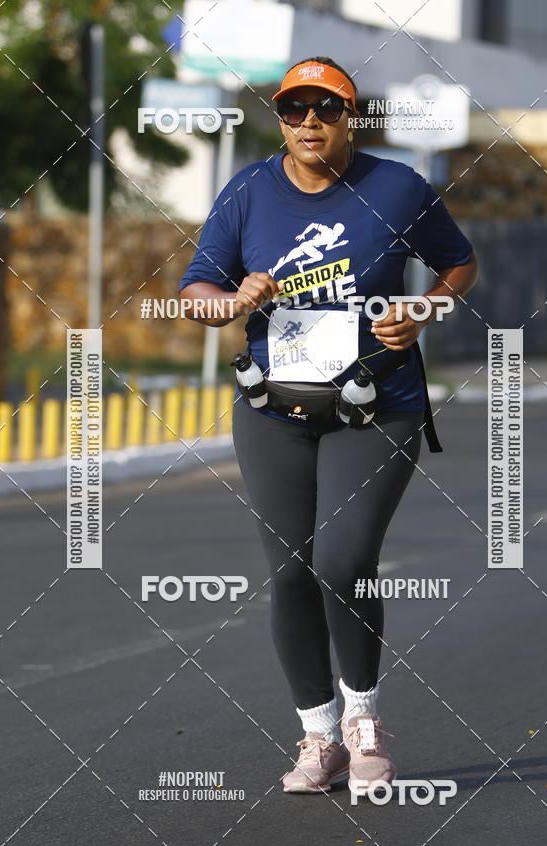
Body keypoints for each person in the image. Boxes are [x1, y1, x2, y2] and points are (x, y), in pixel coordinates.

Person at [180, 57, 478, 795]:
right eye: (292, 109)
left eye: (326, 108)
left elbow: (459, 265)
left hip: (376, 405)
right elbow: (195, 292)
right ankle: (318, 737)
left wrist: (424, 310)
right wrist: (232, 298)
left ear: (351, 116)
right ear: (278, 117)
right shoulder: (249, 190)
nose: (308, 123)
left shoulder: (396, 187)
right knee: (289, 572)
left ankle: (363, 721)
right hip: (274, 410)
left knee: (341, 561)